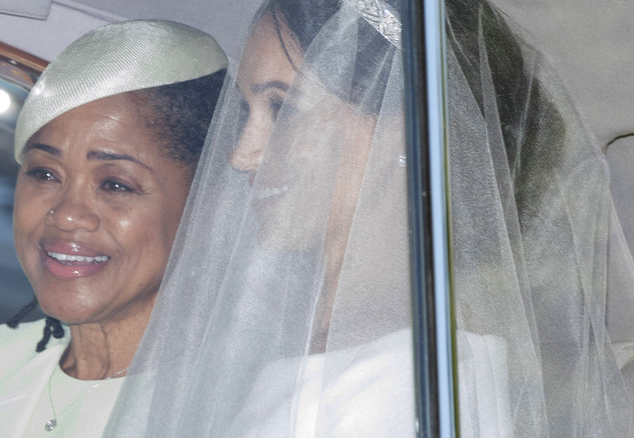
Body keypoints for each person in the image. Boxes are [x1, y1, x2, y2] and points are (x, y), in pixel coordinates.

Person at [103, 0, 634, 436]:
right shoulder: (312, 341)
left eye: (283, 109)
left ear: (405, 136)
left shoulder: (409, 380)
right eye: (245, 111)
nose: (242, 154)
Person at [0, 20, 227, 437]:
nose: (67, 215)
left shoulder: (237, 404)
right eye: (45, 173)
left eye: (115, 184)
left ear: (210, 206)